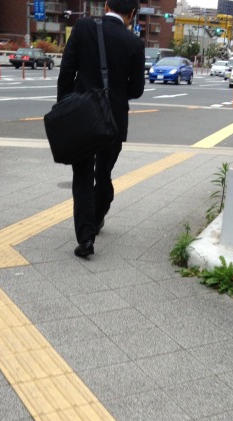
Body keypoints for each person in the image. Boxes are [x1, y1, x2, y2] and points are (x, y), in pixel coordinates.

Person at [57, 0, 145, 258]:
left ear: (106, 6)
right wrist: (115, 93)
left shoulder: (83, 27)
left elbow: (67, 70)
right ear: (132, 14)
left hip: (82, 114)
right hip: (114, 119)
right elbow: (137, 89)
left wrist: (64, 106)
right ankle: (97, 217)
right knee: (103, 172)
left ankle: (86, 238)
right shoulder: (135, 44)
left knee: (83, 175)